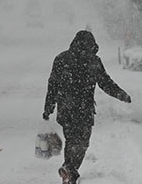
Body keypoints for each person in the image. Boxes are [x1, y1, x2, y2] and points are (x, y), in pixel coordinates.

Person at [43, 30, 131, 184]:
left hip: (66, 108)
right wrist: (120, 94)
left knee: (71, 140)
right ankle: (70, 169)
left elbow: (53, 86)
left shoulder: (61, 59)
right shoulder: (93, 61)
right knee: (82, 142)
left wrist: (48, 107)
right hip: (84, 109)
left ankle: (68, 170)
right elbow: (105, 82)